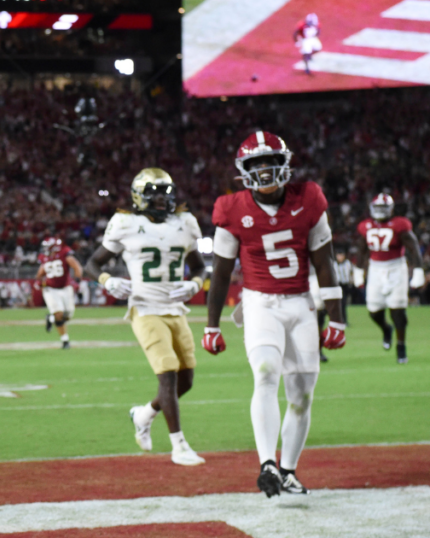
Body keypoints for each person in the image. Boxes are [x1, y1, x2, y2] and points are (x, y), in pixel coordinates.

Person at [204, 131, 345, 498]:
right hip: (259, 302)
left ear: (285, 164)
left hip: (300, 303)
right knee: (265, 374)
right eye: (256, 164)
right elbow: (220, 273)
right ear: (244, 170)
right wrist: (211, 325)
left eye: (270, 162)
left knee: (302, 396)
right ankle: (267, 463)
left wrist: (338, 316)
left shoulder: (309, 197)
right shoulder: (232, 207)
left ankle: (289, 470)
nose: (264, 170)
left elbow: (324, 261)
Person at [84, 168, 206, 466]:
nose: (161, 200)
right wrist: (107, 281)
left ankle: (144, 414)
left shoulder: (186, 222)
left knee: (186, 380)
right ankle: (179, 445)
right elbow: (93, 263)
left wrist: (194, 283)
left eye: (165, 194)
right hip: (144, 307)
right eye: (153, 194)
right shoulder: (125, 222)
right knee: (167, 373)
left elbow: (200, 268)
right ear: (139, 196)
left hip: (176, 309)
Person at [353, 193, 425, 364]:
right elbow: (362, 249)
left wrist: (418, 270)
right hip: (376, 269)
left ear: (391, 209)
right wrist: (357, 270)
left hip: (396, 268)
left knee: (397, 310)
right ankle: (386, 329)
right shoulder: (366, 225)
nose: (380, 211)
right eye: (377, 208)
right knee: (373, 310)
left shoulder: (400, 224)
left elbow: (413, 248)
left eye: (383, 208)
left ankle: (401, 346)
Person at [36, 237, 83, 349]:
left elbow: (76, 266)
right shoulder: (45, 258)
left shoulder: (64, 253)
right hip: (50, 289)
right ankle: (65, 341)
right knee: (59, 314)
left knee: (67, 315)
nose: (45, 249)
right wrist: (39, 281)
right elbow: (40, 273)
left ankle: (50, 318)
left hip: (65, 288)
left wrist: (77, 279)